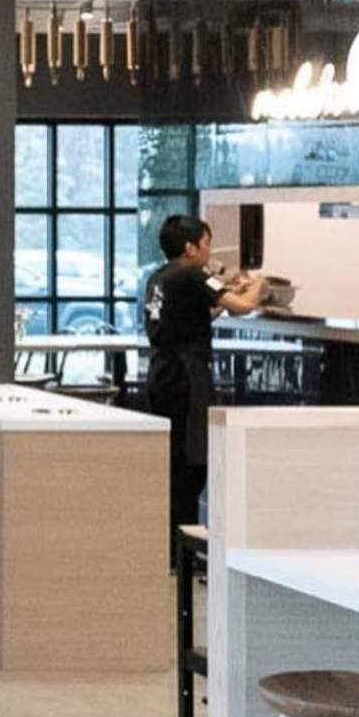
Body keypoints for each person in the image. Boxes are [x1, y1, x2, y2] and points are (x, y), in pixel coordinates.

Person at [143, 214, 263, 531]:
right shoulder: (195, 275)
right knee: (193, 461)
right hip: (187, 378)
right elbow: (244, 307)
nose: (209, 251)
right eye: (206, 244)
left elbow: (200, 313)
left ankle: (172, 543)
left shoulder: (159, 277)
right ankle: (182, 539)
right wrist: (259, 285)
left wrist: (225, 297)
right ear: (190, 247)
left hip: (161, 374)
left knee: (174, 458)